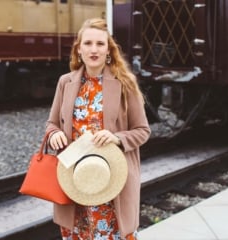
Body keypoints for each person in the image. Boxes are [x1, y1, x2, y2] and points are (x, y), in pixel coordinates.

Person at [45, 18, 151, 240]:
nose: (94, 50)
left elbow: (143, 130)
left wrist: (116, 137)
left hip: (111, 180)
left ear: (108, 50)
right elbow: (52, 123)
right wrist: (54, 134)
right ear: (79, 49)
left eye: (100, 44)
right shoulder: (66, 82)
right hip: (74, 179)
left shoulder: (125, 84)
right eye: (88, 43)